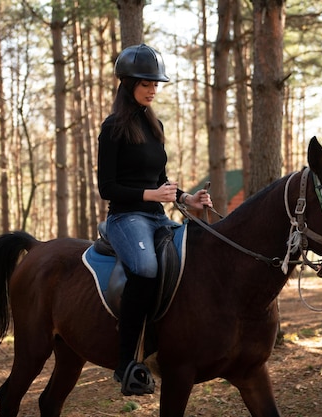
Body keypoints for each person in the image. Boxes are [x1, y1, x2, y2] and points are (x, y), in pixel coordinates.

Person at [97, 44, 212, 396]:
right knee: (146, 269)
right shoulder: (113, 126)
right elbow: (107, 187)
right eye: (146, 82)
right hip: (125, 218)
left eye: (156, 83)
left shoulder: (154, 123)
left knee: (196, 256)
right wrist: (151, 196)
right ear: (129, 82)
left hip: (157, 217)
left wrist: (187, 199)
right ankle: (126, 364)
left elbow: (161, 179)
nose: (153, 89)